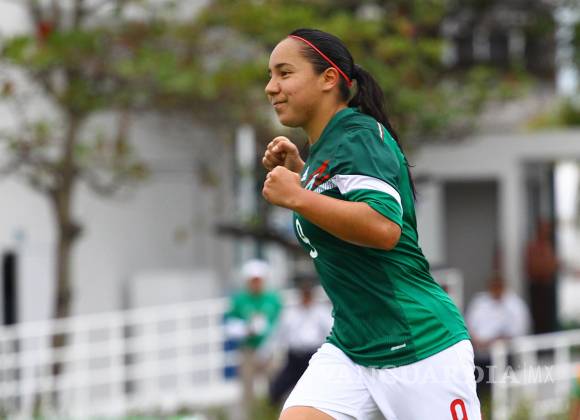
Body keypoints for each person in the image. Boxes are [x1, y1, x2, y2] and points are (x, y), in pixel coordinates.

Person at [261, 28, 480, 420]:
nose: (270, 87)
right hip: (352, 347)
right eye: (271, 75)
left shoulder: (358, 135)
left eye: (284, 73)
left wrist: (298, 196)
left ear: (329, 78)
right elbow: (339, 208)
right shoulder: (326, 147)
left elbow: (382, 227)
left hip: (418, 345)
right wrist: (302, 173)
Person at [225, 259, 282, 420]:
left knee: (276, 384)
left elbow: (280, 325)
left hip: (269, 349)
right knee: (247, 388)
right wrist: (246, 329)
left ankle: (275, 414)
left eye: (258, 280)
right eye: (253, 280)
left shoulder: (273, 299)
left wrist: (269, 343)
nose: (256, 283)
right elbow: (230, 326)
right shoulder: (239, 300)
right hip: (248, 350)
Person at [268, 275, 333, 407]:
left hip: (313, 357)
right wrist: (270, 353)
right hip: (294, 358)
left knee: (317, 391)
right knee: (276, 390)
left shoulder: (322, 312)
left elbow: (330, 333)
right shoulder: (290, 313)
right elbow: (279, 334)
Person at [465, 272, 531, 397]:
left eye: (498, 287)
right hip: (480, 353)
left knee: (497, 384)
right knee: (477, 384)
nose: (496, 290)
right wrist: (478, 342)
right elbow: (469, 326)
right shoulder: (479, 303)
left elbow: (519, 331)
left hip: (505, 354)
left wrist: (497, 341)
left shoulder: (515, 305)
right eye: (493, 287)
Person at [525, 219, 559, 333]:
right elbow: (534, 268)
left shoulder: (549, 247)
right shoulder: (533, 248)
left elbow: (554, 265)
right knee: (539, 321)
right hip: (538, 289)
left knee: (549, 321)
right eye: (544, 229)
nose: (547, 232)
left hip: (548, 288)